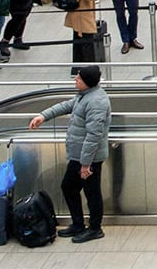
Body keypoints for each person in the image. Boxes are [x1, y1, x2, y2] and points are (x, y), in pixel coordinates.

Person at [29, 62, 112, 243]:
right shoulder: (85, 96)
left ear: (87, 82)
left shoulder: (96, 102)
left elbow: (94, 136)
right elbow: (68, 105)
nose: (75, 79)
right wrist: (43, 116)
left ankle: (95, 228)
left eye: (79, 78)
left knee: (92, 193)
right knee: (69, 187)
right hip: (79, 155)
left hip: (88, 158)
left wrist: (86, 164)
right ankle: (78, 223)